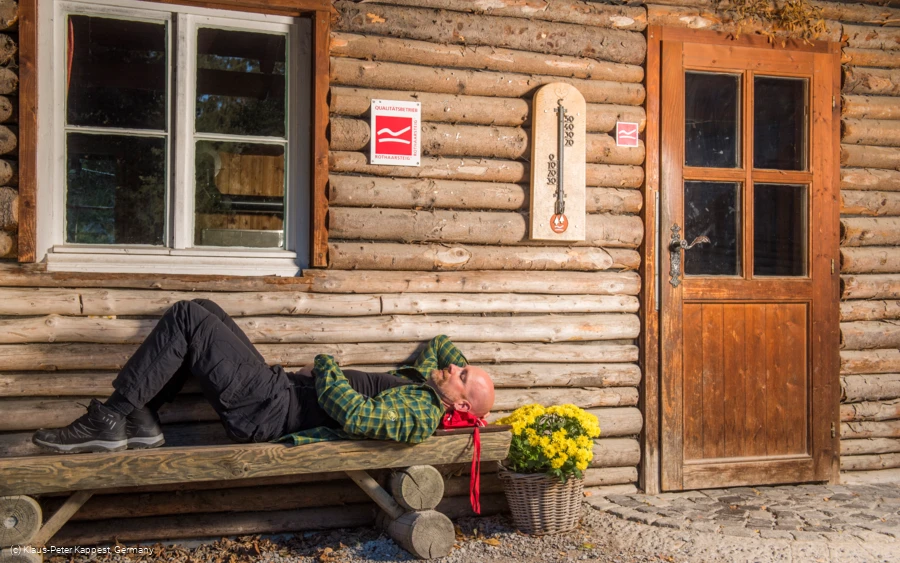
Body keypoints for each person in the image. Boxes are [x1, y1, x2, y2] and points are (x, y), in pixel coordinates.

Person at [32, 299, 495, 454]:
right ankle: (144, 420)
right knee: (204, 312)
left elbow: (354, 415)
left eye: (461, 373)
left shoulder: (418, 411)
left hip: (270, 412)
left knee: (188, 317)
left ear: (457, 405)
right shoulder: (429, 388)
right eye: (460, 366)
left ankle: (113, 416)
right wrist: (465, 385)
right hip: (276, 395)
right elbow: (442, 341)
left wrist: (326, 364)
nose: (454, 365)